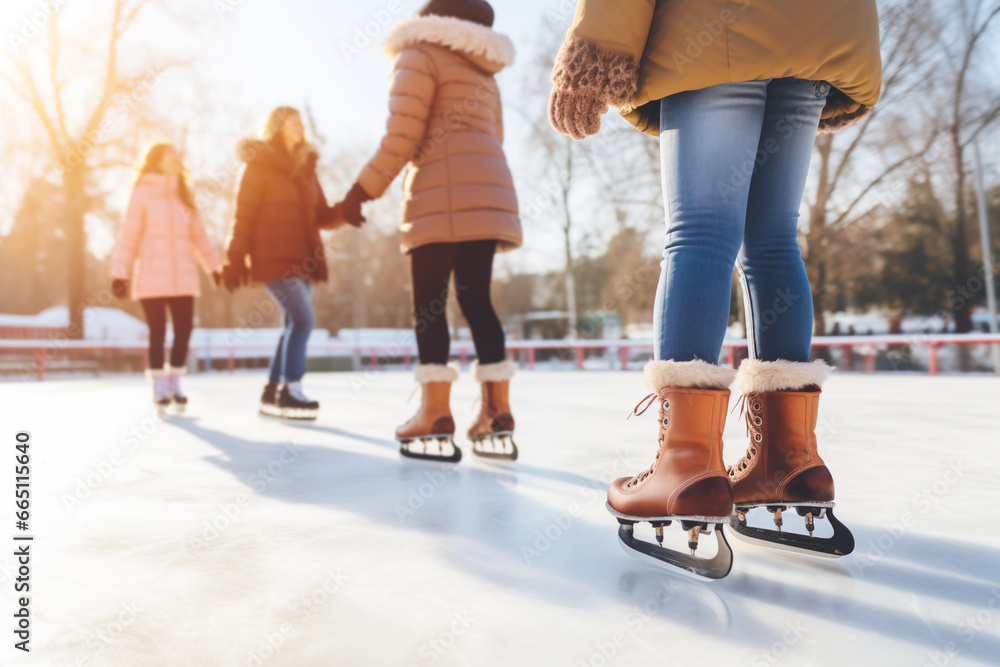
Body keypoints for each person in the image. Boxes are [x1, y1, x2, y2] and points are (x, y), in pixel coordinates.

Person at [549, 0, 881, 575]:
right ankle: (790, 462)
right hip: (821, 28)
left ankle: (686, 467)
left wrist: (592, 50)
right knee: (774, 240)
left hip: (714, 26)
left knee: (700, 231)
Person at [337, 0, 522, 462]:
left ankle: (435, 414)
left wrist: (361, 190)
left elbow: (403, 135)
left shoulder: (418, 52)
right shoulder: (486, 68)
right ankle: (497, 411)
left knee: (430, 304)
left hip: (439, 193)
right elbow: (493, 136)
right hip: (490, 187)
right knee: (477, 300)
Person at [221, 107, 348, 420]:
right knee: (303, 320)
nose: (298, 125)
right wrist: (235, 259)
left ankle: (272, 390)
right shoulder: (259, 164)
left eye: (300, 120)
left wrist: (349, 207)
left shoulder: (306, 167)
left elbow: (320, 215)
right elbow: (244, 215)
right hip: (272, 259)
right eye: (290, 120)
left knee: (293, 323)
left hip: (304, 259)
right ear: (275, 126)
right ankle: (290, 391)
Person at [110, 143, 221, 413]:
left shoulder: (184, 194)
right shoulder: (142, 194)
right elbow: (130, 235)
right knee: (157, 332)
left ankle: (174, 381)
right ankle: (159, 386)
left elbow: (199, 236)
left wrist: (215, 267)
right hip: (150, 276)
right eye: (169, 155)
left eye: (176, 155)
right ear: (156, 160)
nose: (175, 159)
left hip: (183, 276)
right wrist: (120, 272)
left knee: (185, 330)